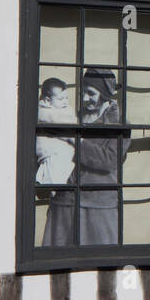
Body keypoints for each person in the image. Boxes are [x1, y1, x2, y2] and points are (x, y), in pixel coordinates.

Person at [43, 68, 130, 247]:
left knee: (99, 263)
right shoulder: (72, 117)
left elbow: (109, 160)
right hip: (65, 202)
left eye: (91, 93)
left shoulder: (119, 124)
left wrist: (76, 141)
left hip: (98, 208)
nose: (83, 99)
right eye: (83, 93)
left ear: (105, 94)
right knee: (58, 260)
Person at [35, 78, 76, 185]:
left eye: (66, 98)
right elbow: (64, 124)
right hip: (52, 155)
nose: (65, 102)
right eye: (61, 99)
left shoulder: (63, 109)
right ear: (48, 101)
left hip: (63, 154)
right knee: (55, 177)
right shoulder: (45, 112)